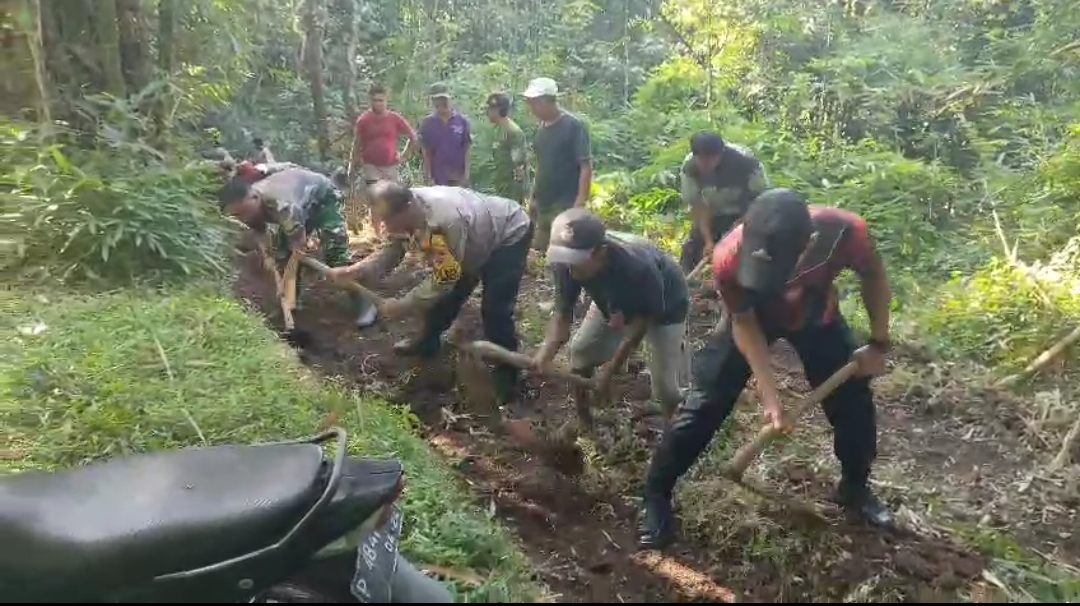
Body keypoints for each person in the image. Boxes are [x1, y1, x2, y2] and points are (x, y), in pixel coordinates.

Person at [636, 188, 894, 550]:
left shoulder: (845, 232)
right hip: (753, 315)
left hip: (814, 314)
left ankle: (854, 487)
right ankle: (656, 494)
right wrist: (769, 394)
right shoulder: (728, 256)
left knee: (853, 402)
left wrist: (879, 342)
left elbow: (874, 276)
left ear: (809, 243)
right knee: (704, 404)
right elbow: (743, 323)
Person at [324, 182, 533, 402]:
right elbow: (393, 250)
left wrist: (404, 304)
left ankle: (508, 372)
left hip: (508, 233)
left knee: (495, 310)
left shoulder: (444, 221)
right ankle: (428, 341)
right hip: (472, 237)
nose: (384, 225)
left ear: (406, 208)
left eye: (387, 220)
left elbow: (445, 277)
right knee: (445, 299)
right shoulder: (406, 213)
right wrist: (357, 270)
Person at [532, 208, 689, 427]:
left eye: (576, 261)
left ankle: (681, 425)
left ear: (601, 252)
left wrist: (608, 374)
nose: (570, 268)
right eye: (565, 258)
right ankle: (584, 420)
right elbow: (562, 316)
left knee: (665, 389)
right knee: (581, 352)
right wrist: (544, 356)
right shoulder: (566, 263)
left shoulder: (638, 268)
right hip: (611, 301)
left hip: (665, 307)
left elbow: (639, 325)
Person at [217, 164, 377, 328]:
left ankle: (364, 304)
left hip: (322, 199)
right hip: (299, 206)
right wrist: (270, 256)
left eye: (242, 213)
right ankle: (290, 302)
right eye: (236, 216)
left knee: (335, 254)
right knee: (282, 256)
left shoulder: (281, 203)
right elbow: (261, 231)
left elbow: (298, 244)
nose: (242, 219)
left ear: (254, 197)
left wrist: (295, 253)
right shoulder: (251, 207)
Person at [678, 131, 769, 274]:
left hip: (745, 213)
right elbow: (698, 207)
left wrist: (741, 223)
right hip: (712, 213)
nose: (705, 165)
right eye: (701, 159)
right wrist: (708, 241)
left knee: (748, 251)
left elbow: (761, 200)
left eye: (710, 159)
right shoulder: (689, 168)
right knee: (691, 249)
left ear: (721, 154)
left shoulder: (746, 163)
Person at [522, 77, 592, 252]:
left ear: (548, 101)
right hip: (545, 202)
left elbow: (585, 166)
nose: (532, 109)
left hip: (566, 202)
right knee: (539, 251)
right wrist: (534, 197)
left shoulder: (573, 126)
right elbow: (541, 166)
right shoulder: (541, 130)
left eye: (535, 103)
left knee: (563, 252)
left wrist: (580, 202)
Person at [349, 84, 419, 236]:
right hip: (371, 165)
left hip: (390, 165)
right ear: (370, 101)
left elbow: (413, 137)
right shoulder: (364, 120)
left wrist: (405, 155)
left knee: (392, 199)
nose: (378, 103)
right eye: (375, 100)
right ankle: (376, 234)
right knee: (376, 198)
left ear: (386, 100)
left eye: (381, 100)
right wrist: (352, 165)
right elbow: (357, 143)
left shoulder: (394, 118)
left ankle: (392, 229)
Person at [418, 83, 472, 187]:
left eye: (444, 99)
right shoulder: (427, 123)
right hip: (437, 176)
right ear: (433, 102)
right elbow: (426, 152)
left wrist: (466, 175)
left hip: (457, 176)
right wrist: (428, 177)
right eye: (438, 100)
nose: (442, 103)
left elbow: (467, 149)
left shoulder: (462, 121)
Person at [485, 92, 529, 203]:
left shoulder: (513, 132)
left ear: (497, 110)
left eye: (489, 109)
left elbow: (519, 166)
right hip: (501, 187)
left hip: (511, 191)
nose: (487, 113)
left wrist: (517, 196)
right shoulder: (499, 129)